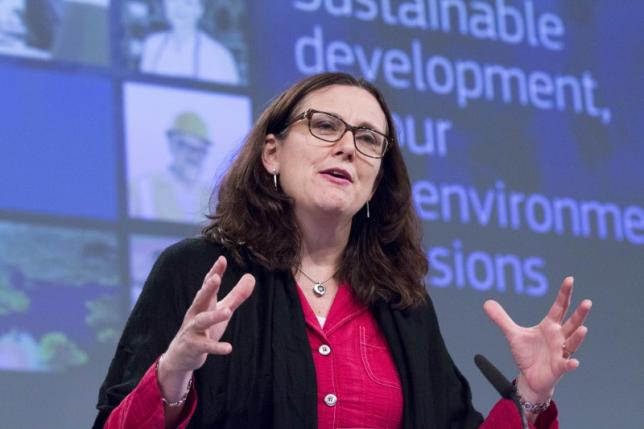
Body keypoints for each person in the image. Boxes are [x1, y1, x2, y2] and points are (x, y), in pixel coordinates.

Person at [94, 72, 592, 428]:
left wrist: (531, 392)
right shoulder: (198, 272)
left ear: (375, 183)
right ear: (273, 153)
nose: (348, 147)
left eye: (369, 139)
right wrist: (172, 376)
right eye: (325, 126)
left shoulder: (402, 306)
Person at [128, 111, 213, 223]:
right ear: (172, 144)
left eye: (200, 150)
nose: (194, 156)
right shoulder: (142, 189)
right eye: (188, 146)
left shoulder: (213, 198)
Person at [139, 0, 240, 85]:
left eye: (188, 3)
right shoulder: (152, 45)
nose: (179, 9)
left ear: (200, 10)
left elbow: (229, 105)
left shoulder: (219, 56)